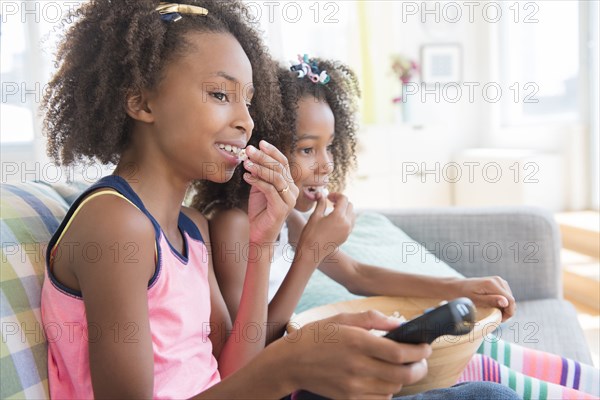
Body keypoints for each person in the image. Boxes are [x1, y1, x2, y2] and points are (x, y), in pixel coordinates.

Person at [39, 2, 521, 399]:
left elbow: (232, 372)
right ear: (142, 102)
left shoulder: (190, 228)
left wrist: (265, 237)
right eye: (219, 94)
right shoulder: (115, 224)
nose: (246, 121)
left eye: (249, 101)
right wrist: (290, 364)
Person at [193, 55, 599, 400]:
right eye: (306, 149)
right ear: (262, 151)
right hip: (301, 382)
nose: (326, 164)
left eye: (329, 146)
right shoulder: (234, 226)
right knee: (479, 375)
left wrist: (461, 288)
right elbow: (250, 347)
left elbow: (356, 274)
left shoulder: (291, 217)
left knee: (481, 354)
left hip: (322, 362)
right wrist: (311, 254)